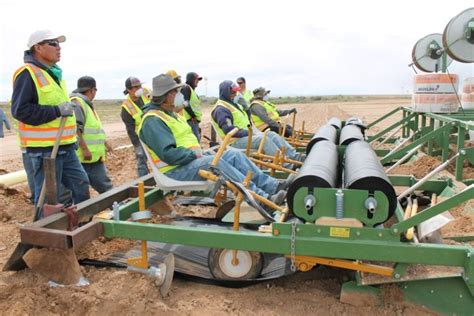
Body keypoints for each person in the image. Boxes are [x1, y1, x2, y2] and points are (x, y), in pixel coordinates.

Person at [139, 74, 294, 204]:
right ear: (166, 96)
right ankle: (262, 200)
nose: (180, 95)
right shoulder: (152, 120)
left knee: (234, 155)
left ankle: (273, 186)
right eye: (176, 92)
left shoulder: (169, 114)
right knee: (216, 162)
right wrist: (195, 155)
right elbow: (169, 154)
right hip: (174, 170)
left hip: (187, 162)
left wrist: (198, 154)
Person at [11, 30, 90, 212]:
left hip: (66, 147)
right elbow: (20, 110)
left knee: (81, 186)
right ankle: (45, 235)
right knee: (47, 198)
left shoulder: (53, 74)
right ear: (38, 47)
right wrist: (57, 110)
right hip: (46, 151)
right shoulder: (27, 73)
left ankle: (79, 226)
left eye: (58, 43)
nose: (59, 47)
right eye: (53, 43)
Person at [211, 81, 304, 163]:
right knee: (263, 140)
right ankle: (286, 164)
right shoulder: (221, 109)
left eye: (236, 91)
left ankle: (295, 156)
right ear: (226, 92)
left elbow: (247, 119)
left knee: (272, 134)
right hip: (234, 141)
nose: (236, 94)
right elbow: (228, 130)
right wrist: (250, 134)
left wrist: (246, 108)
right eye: (233, 92)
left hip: (246, 136)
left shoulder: (233, 104)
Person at [70, 76, 113, 193]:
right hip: (85, 157)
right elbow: (75, 129)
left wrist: (105, 143)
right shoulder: (78, 103)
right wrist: (84, 149)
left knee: (105, 187)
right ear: (92, 90)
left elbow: (94, 128)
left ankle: (117, 208)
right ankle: (117, 208)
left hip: (93, 157)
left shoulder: (86, 103)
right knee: (84, 190)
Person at [120, 76, 149, 177]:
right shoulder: (126, 108)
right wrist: (137, 146)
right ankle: (144, 182)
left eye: (140, 86)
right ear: (129, 90)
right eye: (136, 87)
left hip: (155, 132)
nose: (139, 89)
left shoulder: (146, 93)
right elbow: (130, 130)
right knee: (141, 158)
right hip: (141, 136)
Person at [181, 72, 203, 140]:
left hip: (193, 120)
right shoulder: (186, 88)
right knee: (195, 140)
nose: (198, 81)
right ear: (191, 79)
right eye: (196, 79)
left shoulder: (191, 89)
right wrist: (193, 116)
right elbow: (185, 103)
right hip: (190, 120)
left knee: (196, 139)